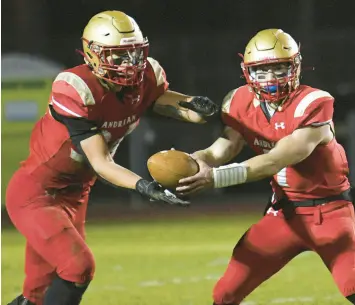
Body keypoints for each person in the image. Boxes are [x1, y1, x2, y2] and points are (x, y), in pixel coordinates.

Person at [6, 10, 219, 305]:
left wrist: (197, 106)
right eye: (119, 56)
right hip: (37, 193)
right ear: (93, 54)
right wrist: (145, 187)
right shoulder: (76, 88)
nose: (129, 64)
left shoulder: (146, 78)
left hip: (76, 193)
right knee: (77, 268)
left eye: (134, 54)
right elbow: (101, 162)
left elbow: (165, 101)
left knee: (38, 294)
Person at [176, 29, 355, 304]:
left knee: (352, 286)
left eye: (279, 69)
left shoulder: (314, 102)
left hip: (330, 213)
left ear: (294, 66)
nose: (270, 79)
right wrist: (193, 163)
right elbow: (223, 148)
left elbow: (275, 160)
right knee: (224, 293)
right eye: (262, 71)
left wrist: (215, 178)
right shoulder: (238, 101)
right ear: (248, 72)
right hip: (284, 215)